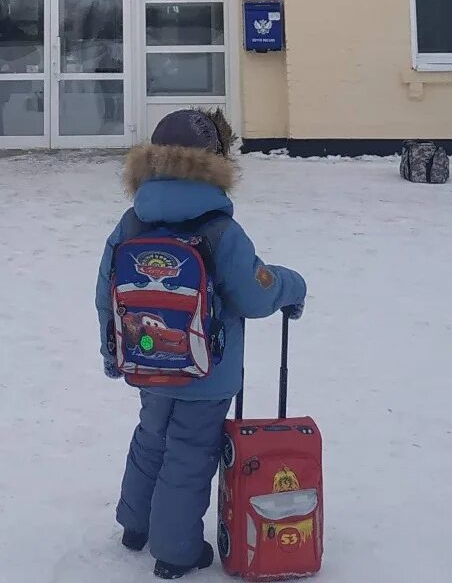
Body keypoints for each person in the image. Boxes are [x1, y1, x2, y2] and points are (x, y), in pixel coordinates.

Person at [96, 108, 307, 579]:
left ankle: (135, 525)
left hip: (146, 358)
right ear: (216, 163)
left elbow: (104, 291)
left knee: (151, 438)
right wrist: (292, 285)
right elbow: (255, 294)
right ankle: (176, 552)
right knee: (190, 454)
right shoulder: (219, 230)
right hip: (207, 371)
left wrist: (114, 351)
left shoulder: (132, 223)